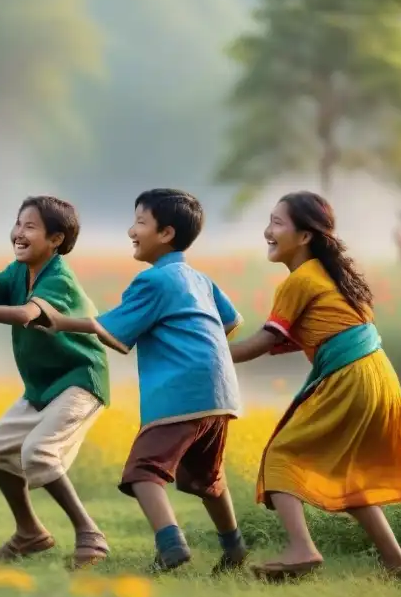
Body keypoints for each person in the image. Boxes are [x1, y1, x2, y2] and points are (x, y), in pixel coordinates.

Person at [29, 189, 247, 574]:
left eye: (140, 223)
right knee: (207, 478)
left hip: (180, 392)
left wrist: (60, 322)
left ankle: (171, 545)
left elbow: (110, 327)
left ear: (165, 233)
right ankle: (234, 547)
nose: (132, 230)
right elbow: (229, 322)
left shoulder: (153, 282)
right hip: (220, 392)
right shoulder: (199, 278)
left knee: (144, 472)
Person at [227, 191, 401, 581]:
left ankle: (302, 549)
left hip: (348, 377)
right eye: (269, 221)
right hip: (378, 375)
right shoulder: (330, 277)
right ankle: (399, 566)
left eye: (278, 223)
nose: (268, 231)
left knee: (280, 457)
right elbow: (302, 337)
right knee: (350, 475)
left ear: (304, 237)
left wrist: (206, 351)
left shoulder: (300, 281)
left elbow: (264, 342)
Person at [0, 196, 112, 569]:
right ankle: (29, 532)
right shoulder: (18, 271)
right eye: (18, 224)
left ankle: (90, 534)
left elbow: (25, 314)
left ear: (56, 239)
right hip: (41, 387)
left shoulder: (59, 280)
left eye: (30, 227)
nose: (18, 233)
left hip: (79, 380)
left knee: (38, 452)